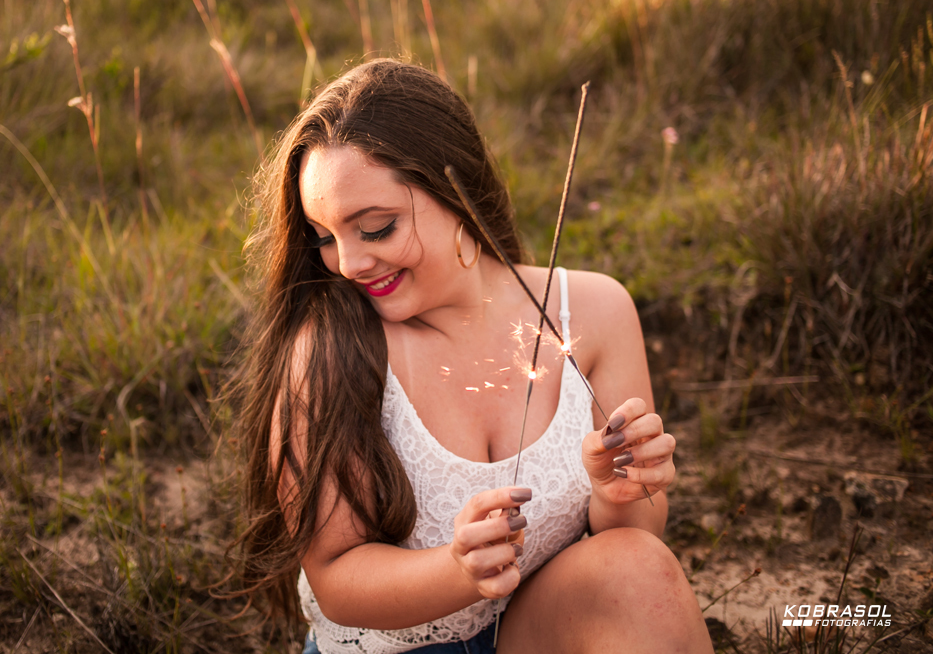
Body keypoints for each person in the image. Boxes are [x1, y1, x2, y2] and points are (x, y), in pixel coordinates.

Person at [228, 59, 713, 654]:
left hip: (536, 630)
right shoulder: (330, 350)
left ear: (456, 193)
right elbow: (335, 579)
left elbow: (635, 539)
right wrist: (454, 570)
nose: (348, 265)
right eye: (325, 237)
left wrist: (618, 496)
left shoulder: (595, 314)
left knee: (641, 570)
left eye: (375, 228)